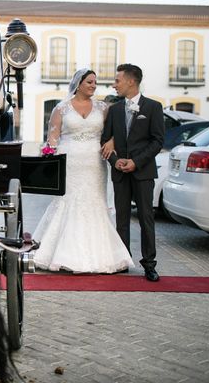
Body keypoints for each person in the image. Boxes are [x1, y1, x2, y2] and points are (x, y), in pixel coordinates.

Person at [32, 69, 134, 273]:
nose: (94, 85)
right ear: (78, 84)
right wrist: (49, 155)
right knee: (68, 201)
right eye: (90, 82)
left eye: (95, 82)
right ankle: (62, 254)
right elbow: (53, 138)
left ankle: (101, 256)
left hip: (95, 163)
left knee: (94, 202)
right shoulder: (61, 109)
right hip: (69, 162)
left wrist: (112, 141)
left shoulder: (103, 108)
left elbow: (114, 131)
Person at [101, 64, 164, 282]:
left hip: (143, 172)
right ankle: (123, 260)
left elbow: (158, 141)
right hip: (120, 173)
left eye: (117, 80)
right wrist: (116, 161)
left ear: (131, 81)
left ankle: (149, 264)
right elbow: (105, 141)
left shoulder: (153, 107)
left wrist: (136, 162)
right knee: (122, 219)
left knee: (146, 218)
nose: (114, 84)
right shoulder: (115, 110)